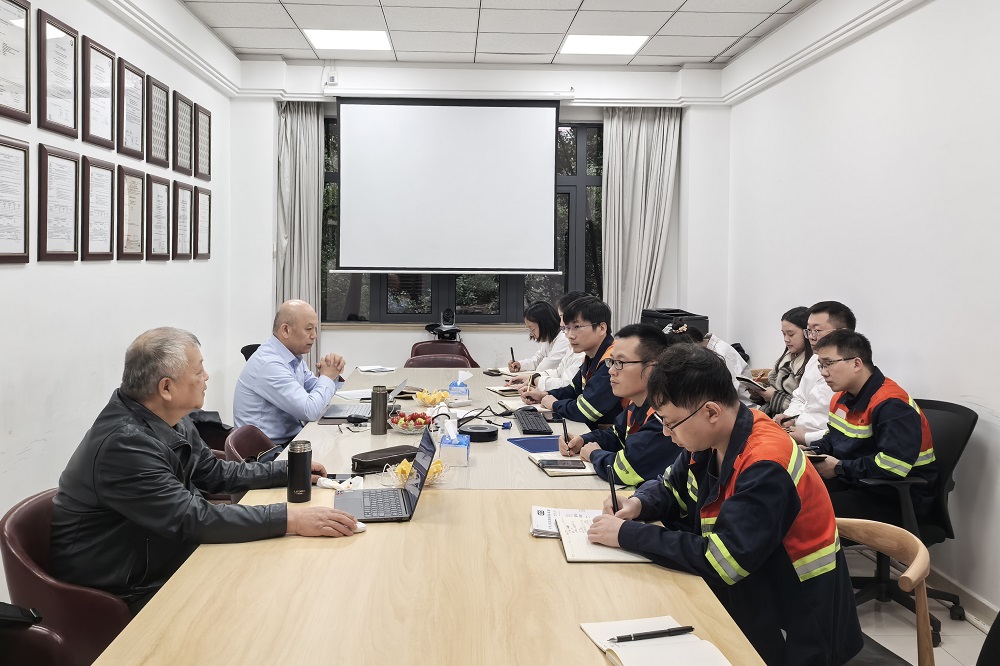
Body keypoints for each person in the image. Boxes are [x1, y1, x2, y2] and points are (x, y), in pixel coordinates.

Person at [586, 344, 862, 665]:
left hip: (795, 620)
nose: (666, 432)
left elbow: (724, 562)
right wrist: (638, 504)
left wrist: (626, 534)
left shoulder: (765, 464)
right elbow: (671, 486)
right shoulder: (715, 435)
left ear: (711, 412)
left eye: (671, 422)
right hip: (751, 592)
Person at [50, 328, 358, 614]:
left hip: (162, 554)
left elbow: (214, 472)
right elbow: (192, 518)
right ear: (166, 387)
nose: (207, 376)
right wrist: (291, 519)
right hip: (124, 589)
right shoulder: (125, 445)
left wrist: (284, 472)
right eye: (198, 371)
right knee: (266, 596)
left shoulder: (168, 416)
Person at [808, 330, 937, 524]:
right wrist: (812, 451)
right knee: (792, 492)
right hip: (858, 482)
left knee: (808, 512)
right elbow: (833, 439)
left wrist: (840, 468)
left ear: (856, 364)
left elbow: (893, 465)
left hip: (896, 498)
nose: (823, 372)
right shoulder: (841, 398)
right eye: (821, 365)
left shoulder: (892, 405)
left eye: (829, 363)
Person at [561, 324, 684, 485]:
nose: (611, 371)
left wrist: (594, 453)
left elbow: (625, 471)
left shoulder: (665, 417)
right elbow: (616, 435)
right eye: (611, 362)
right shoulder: (637, 402)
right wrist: (583, 440)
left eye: (620, 362)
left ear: (652, 368)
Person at [234, 299, 346, 447]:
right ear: (286, 330)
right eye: (309, 329)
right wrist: (326, 377)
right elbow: (310, 410)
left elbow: (317, 391)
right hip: (268, 452)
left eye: (315, 329)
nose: (314, 335)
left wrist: (333, 374)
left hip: (291, 440)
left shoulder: (292, 356)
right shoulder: (269, 364)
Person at [520, 297, 623, 429]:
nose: (570, 335)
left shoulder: (612, 362)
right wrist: (544, 395)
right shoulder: (591, 357)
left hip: (616, 434)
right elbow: (573, 390)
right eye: (567, 328)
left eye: (577, 327)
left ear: (601, 328)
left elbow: (585, 412)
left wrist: (554, 404)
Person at [774, 301, 857, 445]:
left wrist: (807, 437)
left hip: (823, 444)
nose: (811, 337)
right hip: (796, 432)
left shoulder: (851, 370)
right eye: (808, 331)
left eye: (817, 331)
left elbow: (849, 430)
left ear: (842, 332)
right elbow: (800, 397)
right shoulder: (814, 360)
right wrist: (789, 417)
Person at [509, 290, 586, 392]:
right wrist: (527, 373)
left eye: (532, 329)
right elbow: (557, 371)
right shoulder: (556, 341)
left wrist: (535, 379)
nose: (561, 323)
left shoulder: (565, 341)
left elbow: (565, 383)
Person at [745, 307, 812, 417]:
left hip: (789, 421)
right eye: (783, 334)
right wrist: (760, 391)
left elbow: (806, 408)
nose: (786, 339)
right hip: (769, 415)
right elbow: (773, 387)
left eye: (791, 334)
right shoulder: (786, 359)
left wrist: (774, 397)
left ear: (807, 333)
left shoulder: (812, 365)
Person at [665, 319, 752, 404]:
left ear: (692, 346)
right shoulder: (703, 350)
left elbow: (728, 394)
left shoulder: (721, 354)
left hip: (740, 405)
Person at [508, 301, 567, 375]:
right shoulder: (550, 340)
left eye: (532, 329)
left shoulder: (563, 340)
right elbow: (537, 360)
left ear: (545, 324)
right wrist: (520, 365)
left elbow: (544, 368)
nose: (531, 334)